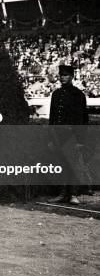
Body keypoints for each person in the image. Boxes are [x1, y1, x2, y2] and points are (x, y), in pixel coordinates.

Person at [48, 64, 89, 205]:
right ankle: (62, 193)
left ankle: (72, 194)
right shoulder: (56, 94)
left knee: (72, 164)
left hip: (72, 136)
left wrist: (80, 140)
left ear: (72, 76)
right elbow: (52, 118)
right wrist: (51, 138)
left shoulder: (78, 95)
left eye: (65, 75)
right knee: (60, 164)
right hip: (58, 136)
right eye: (61, 75)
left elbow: (82, 120)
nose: (62, 77)